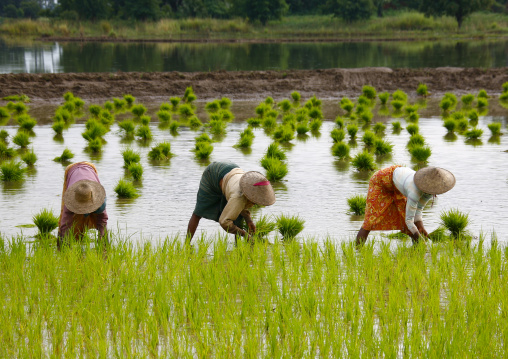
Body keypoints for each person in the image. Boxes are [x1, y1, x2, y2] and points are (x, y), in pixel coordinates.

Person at [356, 165, 455, 245]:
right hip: (381, 180)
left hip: (398, 184)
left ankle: (417, 251)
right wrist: (418, 236)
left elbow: (418, 209)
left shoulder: (429, 191)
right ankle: (357, 252)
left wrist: (421, 227)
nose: (438, 191)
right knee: (370, 220)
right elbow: (409, 220)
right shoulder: (414, 191)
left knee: (405, 218)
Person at [187, 161, 276, 243]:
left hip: (232, 172)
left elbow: (241, 206)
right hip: (213, 173)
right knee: (198, 212)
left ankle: (238, 248)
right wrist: (245, 235)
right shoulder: (239, 196)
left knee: (238, 217)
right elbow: (224, 222)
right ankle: (186, 244)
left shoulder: (248, 188)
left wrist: (249, 220)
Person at [58, 161, 108, 249]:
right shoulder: (70, 200)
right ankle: (70, 241)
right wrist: (64, 243)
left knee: (100, 221)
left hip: (90, 167)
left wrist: (102, 238)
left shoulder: (100, 200)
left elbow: (103, 220)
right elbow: (65, 223)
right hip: (71, 170)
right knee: (69, 218)